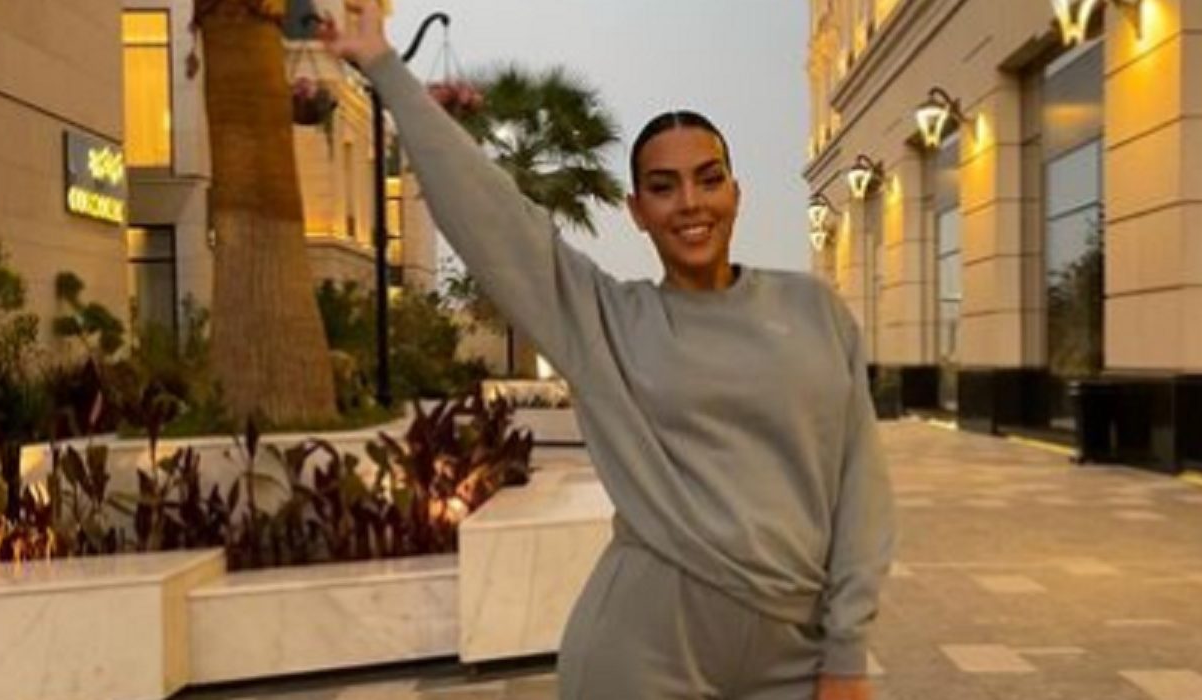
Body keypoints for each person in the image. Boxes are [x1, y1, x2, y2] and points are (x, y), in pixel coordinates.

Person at [324, 4, 895, 699]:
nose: (690, 202)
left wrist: (847, 649)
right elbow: (493, 217)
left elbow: (861, 485)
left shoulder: (814, 312)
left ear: (736, 192)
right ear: (637, 211)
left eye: (708, 178)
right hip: (645, 653)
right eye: (663, 187)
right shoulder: (607, 323)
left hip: (796, 660)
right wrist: (384, 66)